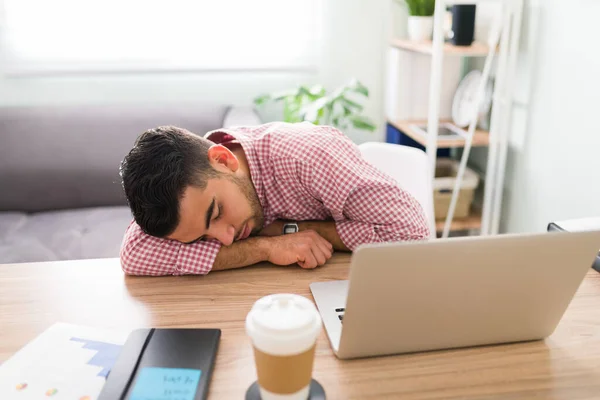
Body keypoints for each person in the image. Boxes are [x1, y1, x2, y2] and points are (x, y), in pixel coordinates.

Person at [119, 122, 430, 276]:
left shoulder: (310, 158)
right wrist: (266, 246)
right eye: (201, 238)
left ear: (224, 160)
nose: (226, 241)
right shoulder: (191, 190)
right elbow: (135, 254)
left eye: (216, 215)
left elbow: (412, 234)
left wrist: (297, 229)